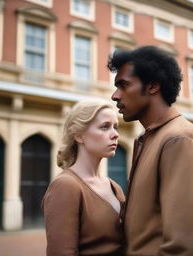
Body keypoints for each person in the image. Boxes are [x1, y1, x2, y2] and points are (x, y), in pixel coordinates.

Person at [107, 46, 193, 256]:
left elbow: (185, 247)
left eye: (123, 85)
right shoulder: (151, 138)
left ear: (153, 86)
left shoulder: (180, 139)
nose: (115, 96)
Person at [42, 100, 125, 256]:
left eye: (115, 127)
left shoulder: (115, 186)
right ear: (79, 136)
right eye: (105, 127)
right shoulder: (66, 186)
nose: (115, 134)